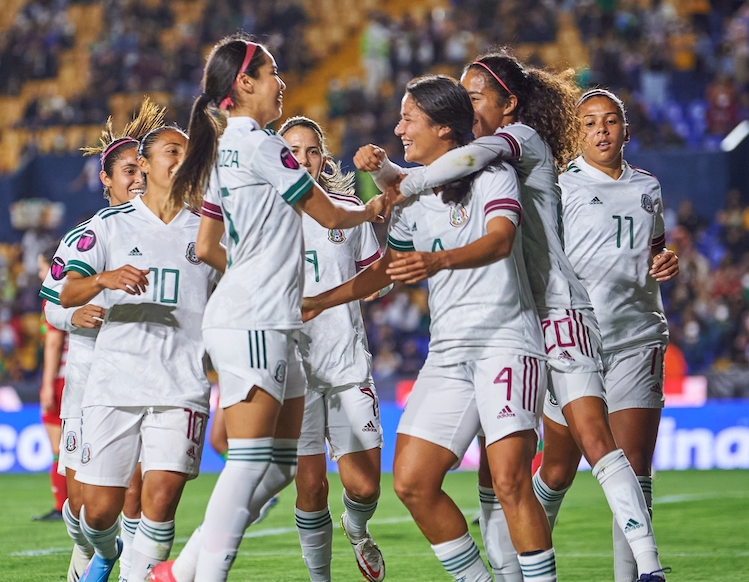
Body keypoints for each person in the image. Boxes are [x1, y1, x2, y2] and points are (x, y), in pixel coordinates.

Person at [357, 52, 667, 581]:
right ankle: (507, 570)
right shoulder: (476, 164)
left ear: (509, 104)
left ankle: (647, 569)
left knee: (590, 440)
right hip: (508, 314)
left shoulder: (516, 141)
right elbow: (443, 173)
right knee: (523, 467)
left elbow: (454, 163)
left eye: (476, 94)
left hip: (555, 307)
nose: (467, 101)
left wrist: (397, 182)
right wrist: (390, 175)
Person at [149, 35, 388, 582]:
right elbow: (329, 216)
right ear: (245, 83)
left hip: (254, 317)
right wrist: (371, 207)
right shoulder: (261, 144)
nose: (282, 82)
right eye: (273, 72)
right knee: (252, 461)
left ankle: (176, 571)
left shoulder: (218, 151)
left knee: (280, 468)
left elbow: (209, 247)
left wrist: (256, 272)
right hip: (257, 321)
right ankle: (195, 577)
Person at [308, 74, 555, 581]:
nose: (398, 128)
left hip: (506, 342)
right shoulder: (410, 199)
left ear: (444, 128)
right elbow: (386, 271)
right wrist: (319, 301)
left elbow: (500, 241)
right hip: (448, 353)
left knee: (509, 481)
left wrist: (437, 262)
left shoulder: (494, 175)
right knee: (413, 482)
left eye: (408, 118)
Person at [60, 116, 216, 582]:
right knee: (99, 512)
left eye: (187, 152)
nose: (181, 158)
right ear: (144, 164)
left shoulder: (208, 230)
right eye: (171, 150)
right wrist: (104, 279)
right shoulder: (108, 226)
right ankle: (105, 553)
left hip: (182, 383)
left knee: (161, 497)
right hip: (115, 382)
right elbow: (66, 294)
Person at [556, 88, 678, 582]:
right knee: (558, 471)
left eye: (610, 121)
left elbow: (656, 247)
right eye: (589, 123)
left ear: (626, 130)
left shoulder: (648, 186)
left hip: (639, 335)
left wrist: (665, 262)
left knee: (635, 466)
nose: (601, 129)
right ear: (576, 134)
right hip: (576, 339)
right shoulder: (560, 188)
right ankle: (523, 565)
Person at [40, 100, 158, 582]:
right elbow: (50, 304)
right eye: (128, 170)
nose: (137, 179)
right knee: (81, 504)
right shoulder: (83, 239)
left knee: (132, 490)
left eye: (142, 170)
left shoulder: (168, 233)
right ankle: (91, 554)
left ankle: (125, 567)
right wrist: (74, 317)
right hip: (88, 379)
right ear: (106, 179)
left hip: (144, 375)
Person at [280, 116, 388, 582]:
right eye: (293, 150)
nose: (303, 159)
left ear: (323, 158)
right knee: (310, 486)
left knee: (364, 486)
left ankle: (357, 527)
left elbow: (376, 278)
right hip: (294, 374)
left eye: (311, 150)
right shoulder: (263, 216)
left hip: (346, 363)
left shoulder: (348, 208)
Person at [35, 245, 69, 523]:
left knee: (59, 447)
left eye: (41, 267)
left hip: (62, 378)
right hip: (82, 375)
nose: (38, 273)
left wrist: (47, 384)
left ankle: (63, 507)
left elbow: (54, 342)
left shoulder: (55, 295)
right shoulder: (80, 290)